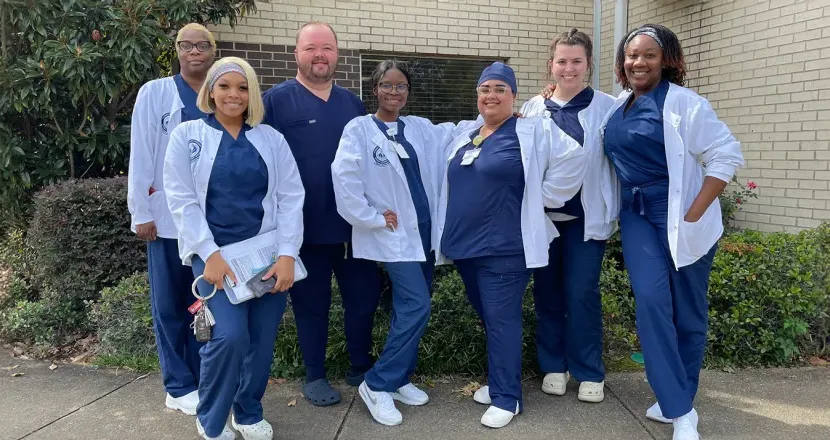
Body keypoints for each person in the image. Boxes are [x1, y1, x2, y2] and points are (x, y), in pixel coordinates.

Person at [602, 24, 744, 440]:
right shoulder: (616, 107)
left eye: (648, 54)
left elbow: (725, 154)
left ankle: (678, 400)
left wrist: (695, 214)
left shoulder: (686, 104)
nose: (638, 62)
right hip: (637, 216)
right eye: (632, 55)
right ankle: (681, 409)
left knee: (689, 311)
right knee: (650, 303)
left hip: (683, 216)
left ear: (666, 60)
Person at [435, 62, 587, 428]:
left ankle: (508, 397)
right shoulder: (467, 135)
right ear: (477, 95)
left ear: (514, 96)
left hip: (505, 248)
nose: (492, 95)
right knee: (491, 319)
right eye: (485, 88)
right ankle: (499, 381)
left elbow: (574, 156)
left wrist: (541, 197)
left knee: (502, 320)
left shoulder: (530, 129)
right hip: (465, 248)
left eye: (501, 89)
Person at [164, 57, 305, 440]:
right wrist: (208, 253)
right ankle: (211, 420)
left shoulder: (270, 139)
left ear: (252, 94)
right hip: (216, 260)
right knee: (228, 336)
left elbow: (292, 196)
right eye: (224, 86)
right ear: (210, 90)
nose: (234, 94)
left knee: (260, 341)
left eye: (242, 88)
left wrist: (288, 254)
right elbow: (181, 200)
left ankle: (248, 412)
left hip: (267, 258)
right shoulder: (187, 135)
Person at [331, 60, 469, 426]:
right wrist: (372, 217)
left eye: (401, 86)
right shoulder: (359, 129)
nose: (395, 92)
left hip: (422, 235)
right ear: (374, 88)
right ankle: (376, 384)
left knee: (406, 308)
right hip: (392, 237)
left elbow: (458, 131)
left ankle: (398, 378)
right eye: (387, 85)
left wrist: (503, 113)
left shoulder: (420, 128)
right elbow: (343, 180)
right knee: (417, 306)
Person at [261, 21, 382, 407]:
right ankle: (314, 374)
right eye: (311, 48)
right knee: (312, 306)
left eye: (327, 48)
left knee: (362, 300)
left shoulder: (352, 103)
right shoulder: (275, 102)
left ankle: (360, 367)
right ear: (296, 54)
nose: (319, 55)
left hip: (354, 229)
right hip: (303, 231)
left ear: (337, 54)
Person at [519, 28, 617, 403]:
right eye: (562, 61)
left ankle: (589, 370)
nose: (569, 68)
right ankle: (553, 366)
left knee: (581, 295)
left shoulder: (607, 107)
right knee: (546, 295)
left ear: (588, 64)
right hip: (542, 221)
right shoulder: (533, 107)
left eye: (576, 61)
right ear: (551, 64)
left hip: (586, 221)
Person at [127, 23, 217, 415]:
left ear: (214, 51)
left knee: (203, 304)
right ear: (177, 50)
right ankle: (178, 385)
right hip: (165, 221)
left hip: (209, 225)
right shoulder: (156, 93)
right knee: (168, 304)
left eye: (202, 45)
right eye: (186, 45)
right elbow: (141, 152)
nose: (194, 51)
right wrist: (140, 212)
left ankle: (203, 378)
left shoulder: (221, 93)